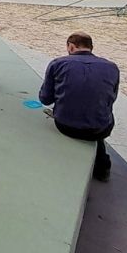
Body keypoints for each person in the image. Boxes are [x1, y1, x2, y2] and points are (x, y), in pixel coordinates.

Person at [38, 31, 119, 181]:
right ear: (91, 47)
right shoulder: (112, 67)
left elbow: (45, 98)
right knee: (99, 116)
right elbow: (111, 98)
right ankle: (102, 167)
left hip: (65, 125)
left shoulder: (58, 63)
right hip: (99, 128)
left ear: (71, 46)